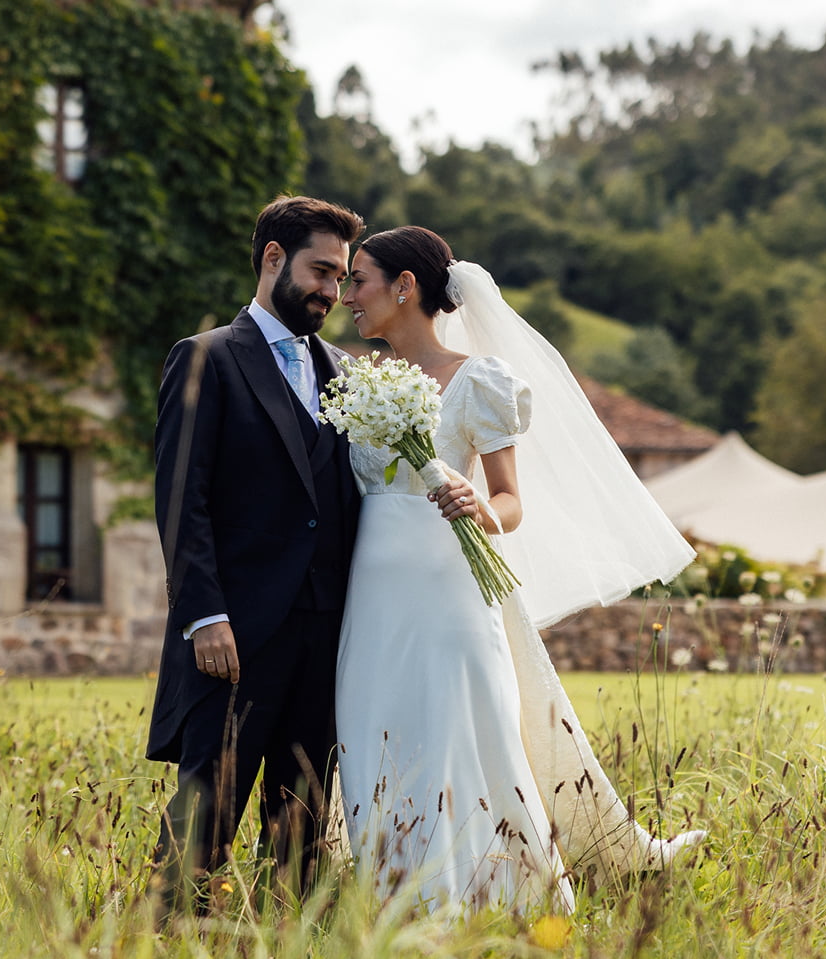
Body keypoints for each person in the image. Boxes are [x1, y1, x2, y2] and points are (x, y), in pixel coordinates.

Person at [332, 226, 705, 914]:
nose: (346, 295)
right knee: (374, 728)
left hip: (449, 589)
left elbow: (512, 503)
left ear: (405, 287)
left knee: (461, 729)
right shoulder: (358, 384)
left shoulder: (479, 382)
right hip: (373, 593)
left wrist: (478, 504)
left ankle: (490, 891)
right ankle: (388, 894)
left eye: (359, 280)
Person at [148, 195, 365, 908]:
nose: (332, 292)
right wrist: (204, 615)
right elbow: (184, 501)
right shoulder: (206, 358)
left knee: (303, 817)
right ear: (273, 258)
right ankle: (166, 939)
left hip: (324, 632)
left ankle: (291, 945)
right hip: (235, 634)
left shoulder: (347, 374)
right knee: (207, 806)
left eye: (341, 278)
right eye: (321, 271)